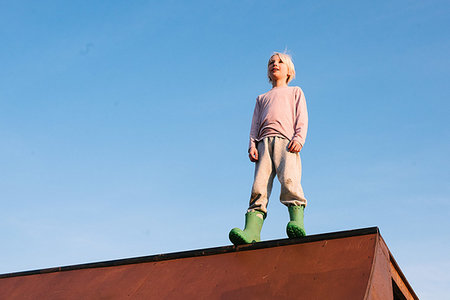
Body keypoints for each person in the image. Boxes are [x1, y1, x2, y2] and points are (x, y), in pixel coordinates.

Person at [229, 52, 308, 245]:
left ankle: (296, 221)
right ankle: (252, 231)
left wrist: (299, 138)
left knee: (289, 180)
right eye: (271, 62)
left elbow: (302, 117)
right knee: (259, 187)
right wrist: (252, 144)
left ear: (289, 70)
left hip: (286, 143)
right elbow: (255, 124)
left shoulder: (295, 92)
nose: (275, 64)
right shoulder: (261, 98)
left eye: (280, 62)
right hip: (263, 144)